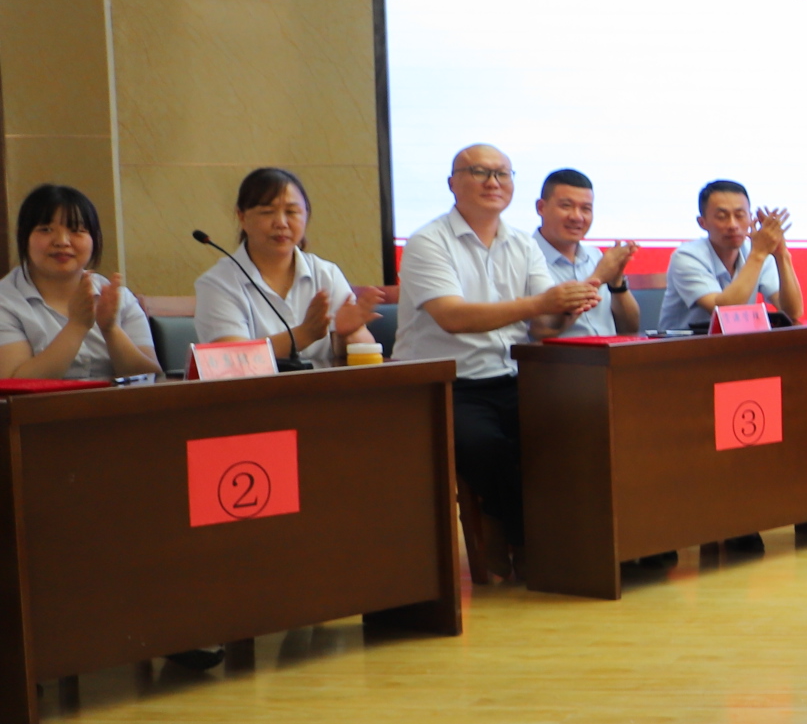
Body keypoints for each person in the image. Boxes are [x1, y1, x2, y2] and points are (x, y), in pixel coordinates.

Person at [394, 143, 600, 569]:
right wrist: (541, 304)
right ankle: (537, 543)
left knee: (578, 427)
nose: (493, 182)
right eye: (479, 172)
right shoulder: (428, 242)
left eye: (502, 174)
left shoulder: (522, 244)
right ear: (453, 184)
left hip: (509, 376)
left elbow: (542, 326)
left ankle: (585, 538)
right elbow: (452, 317)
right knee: (484, 445)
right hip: (445, 384)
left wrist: (570, 307)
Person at [195, 168, 392, 368]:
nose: (281, 223)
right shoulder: (217, 284)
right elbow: (231, 360)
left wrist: (347, 334)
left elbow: (365, 360)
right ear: (242, 217)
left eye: (291, 212)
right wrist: (304, 334)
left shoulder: (326, 274)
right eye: (267, 212)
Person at [0, 184, 158, 381]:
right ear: (23, 237)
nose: (62, 241)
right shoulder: (5, 301)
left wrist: (111, 330)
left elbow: (151, 379)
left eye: (76, 230)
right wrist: (76, 326)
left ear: (94, 238)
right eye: (46, 229)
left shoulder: (119, 298)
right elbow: (13, 385)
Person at [661, 181, 804, 332]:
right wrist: (758, 254)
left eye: (740, 215)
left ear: (750, 218)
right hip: (686, 343)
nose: (733, 225)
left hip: (737, 342)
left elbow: (793, 312)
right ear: (702, 223)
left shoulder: (756, 251)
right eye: (722, 217)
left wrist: (782, 254)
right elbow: (724, 312)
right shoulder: (686, 257)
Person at [530, 169, 641, 337]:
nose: (577, 217)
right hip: (560, 354)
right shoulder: (526, 257)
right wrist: (598, 277)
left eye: (586, 209)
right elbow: (545, 328)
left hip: (611, 351)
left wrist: (617, 284)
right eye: (566, 206)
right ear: (541, 207)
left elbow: (630, 329)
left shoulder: (595, 256)